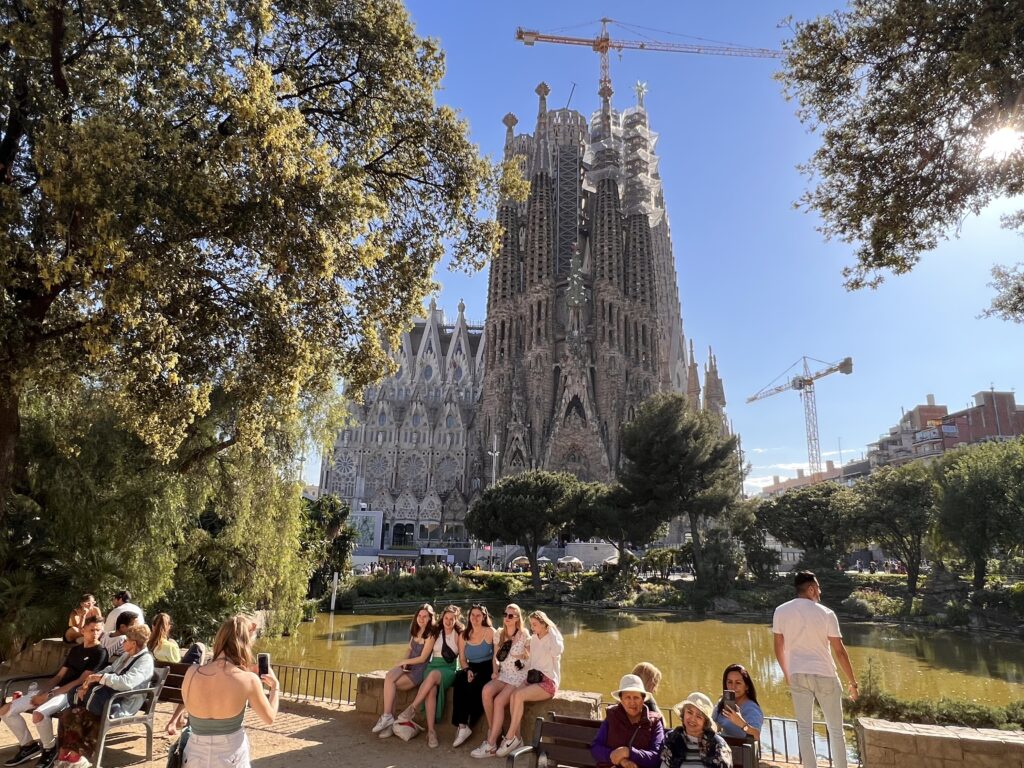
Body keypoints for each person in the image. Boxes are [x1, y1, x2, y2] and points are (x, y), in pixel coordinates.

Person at [773, 571, 858, 768]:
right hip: (825, 674)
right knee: (836, 731)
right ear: (811, 589)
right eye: (818, 587)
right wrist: (852, 683)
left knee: (804, 731)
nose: (820, 591)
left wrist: (787, 674)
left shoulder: (781, 611)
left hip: (797, 675)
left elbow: (778, 647)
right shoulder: (826, 613)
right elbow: (840, 652)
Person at [1, 618, 107, 768]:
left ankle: (49, 750)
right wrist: (43, 691)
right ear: (83, 630)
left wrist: (49, 695)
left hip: (71, 693)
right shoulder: (76, 650)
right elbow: (58, 676)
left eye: (98, 630)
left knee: (39, 714)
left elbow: (81, 681)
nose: (95, 633)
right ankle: (28, 746)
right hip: (56, 689)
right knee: (5, 711)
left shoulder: (100, 652)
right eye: (92, 630)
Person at [179, 615, 278, 768]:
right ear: (245, 644)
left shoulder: (192, 673)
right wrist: (275, 688)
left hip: (194, 755)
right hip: (231, 756)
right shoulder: (248, 680)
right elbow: (269, 718)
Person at [57, 623, 155, 768]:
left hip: (123, 702)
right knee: (68, 714)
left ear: (133, 643)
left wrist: (100, 679)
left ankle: (81, 756)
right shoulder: (128, 654)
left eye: (126, 640)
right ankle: (67, 752)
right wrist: (91, 679)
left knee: (86, 716)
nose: (123, 642)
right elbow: (111, 669)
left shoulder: (145, 661)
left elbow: (127, 683)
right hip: (110, 698)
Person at [495, 609, 564, 757]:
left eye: (535, 625)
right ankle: (517, 739)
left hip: (548, 681)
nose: (532, 628)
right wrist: (519, 658)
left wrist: (550, 630)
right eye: (531, 625)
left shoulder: (553, 638)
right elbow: (531, 660)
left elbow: (557, 651)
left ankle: (509, 738)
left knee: (518, 696)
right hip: (533, 677)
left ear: (544, 624)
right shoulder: (534, 638)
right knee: (514, 695)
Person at [394, 605, 463, 748]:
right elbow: (418, 646)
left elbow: (462, 658)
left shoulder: (460, 635)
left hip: (448, 669)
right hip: (432, 666)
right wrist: (406, 661)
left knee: (432, 676)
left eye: (452, 619)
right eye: (446, 618)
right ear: (442, 618)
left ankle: (412, 708)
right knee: (431, 690)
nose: (448, 621)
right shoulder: (435, 632)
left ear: (456, 620)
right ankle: (431, 732)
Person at [471, 604, 530, 758]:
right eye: (505, 614)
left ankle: (490, 744)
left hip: (518, 676)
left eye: (511, 615)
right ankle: (494, 731)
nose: (507, 618)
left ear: (517, 618)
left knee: (498, 701)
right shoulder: (499, 634)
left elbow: (530, 658)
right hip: (503, 674)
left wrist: (523, 656)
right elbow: (495, 657)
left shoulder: (524, 635)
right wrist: (495, 671)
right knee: (486, 691)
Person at [371, 604, 436, 738]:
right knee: (389, 676)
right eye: (419, 616)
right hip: (408, 665)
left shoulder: (430, 635)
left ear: (430, 618)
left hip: (418, 669)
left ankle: (389, 724)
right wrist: (403, 664)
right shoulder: (415, 630)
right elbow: (409, 650)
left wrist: (404, 662)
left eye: (425, 616)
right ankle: (388, 717)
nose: (421, 619)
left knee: (392, 686)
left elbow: (423, 658)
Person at [590, 674, 665, 768]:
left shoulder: (655, 722)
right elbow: (596, 747)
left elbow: (657, 757)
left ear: (643, 699)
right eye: (627, 697)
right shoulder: (612, 716)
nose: (632, 702)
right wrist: (620, 759)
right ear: (621, 700)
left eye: (636, 697)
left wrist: (629, 752)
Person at [451, 605, 496, 748]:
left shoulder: (490, 632)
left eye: (478, 615)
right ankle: (462, 726)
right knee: (459, 679)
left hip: (488, 667)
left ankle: (469, 723)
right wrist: (467, 670)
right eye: (472, 615)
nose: (475, 618)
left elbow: (496, 657)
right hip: (471, 667)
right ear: (469, 617)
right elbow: (462, 659)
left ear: (484, 617)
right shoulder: (464, 634)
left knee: (477, 686)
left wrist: (496, 673)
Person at [659, 692, 732, 768]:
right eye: (689, 712)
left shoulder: (718, 744)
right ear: (683, 713)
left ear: (705, 722)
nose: (692, 719)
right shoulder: (673, 738)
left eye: (699, 716)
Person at [712, 664, 763, 741]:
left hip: (741, 751)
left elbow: (756, 735)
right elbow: (712, 722)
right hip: (720, 748)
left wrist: (741, 724)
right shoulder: (722, 702)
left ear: (746, 686)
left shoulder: (752, 708)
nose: (733, 687)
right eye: (730, 682)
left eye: (738, 683)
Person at [101, 591, 144, 656]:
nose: (113, 602)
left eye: (114, 599)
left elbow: (107, 630)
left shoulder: (115, 611)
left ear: (120, 599)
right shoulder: (138, 609)